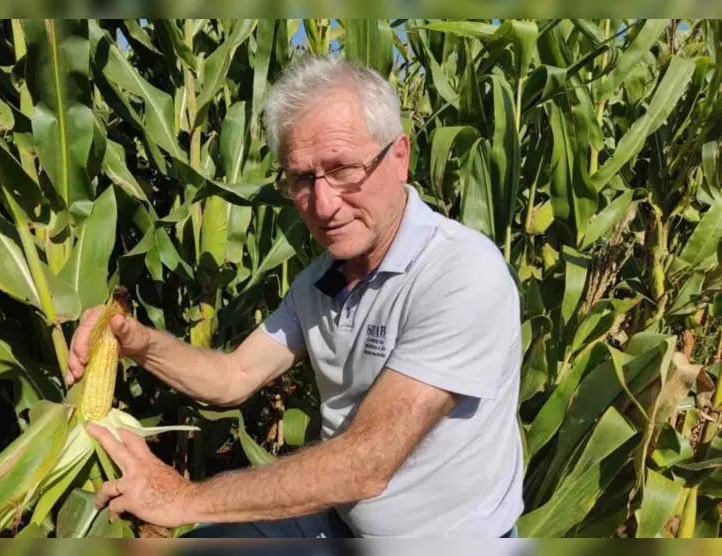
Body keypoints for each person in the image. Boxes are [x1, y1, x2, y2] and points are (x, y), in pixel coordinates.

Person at [66, 56, 524, 539]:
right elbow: (233, 376)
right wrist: (135, 340)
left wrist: (184, 498)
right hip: (336, 522)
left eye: (344, 169)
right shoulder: (322, 280)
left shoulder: (459, 272)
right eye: (302, 179)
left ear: (399, 156)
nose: (323, 205)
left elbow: (365, 465)